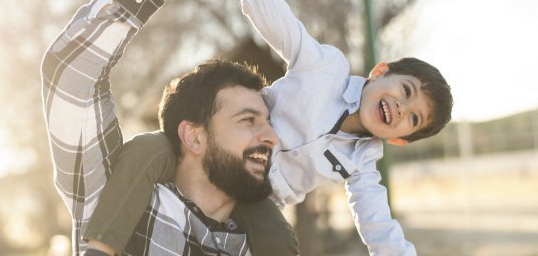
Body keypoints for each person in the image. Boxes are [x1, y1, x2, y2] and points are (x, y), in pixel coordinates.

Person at [84, 0, 454, 255]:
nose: (401, 108)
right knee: (147, 150)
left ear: (401, 139)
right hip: (218, 149)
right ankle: (100, 247)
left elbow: (379, 226)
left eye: (413, 118)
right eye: (405, 92)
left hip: (256, 193)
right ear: (380, 71)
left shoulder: (361, 165)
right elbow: (280, 24)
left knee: (279, 240)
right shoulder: (325, 69)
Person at [41, 0, 297, 255]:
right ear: (194, 137)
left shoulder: (263, 243)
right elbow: (71, 74)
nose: (271, 137)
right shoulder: (119, 199)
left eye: (267, 123)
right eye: (248, 120)